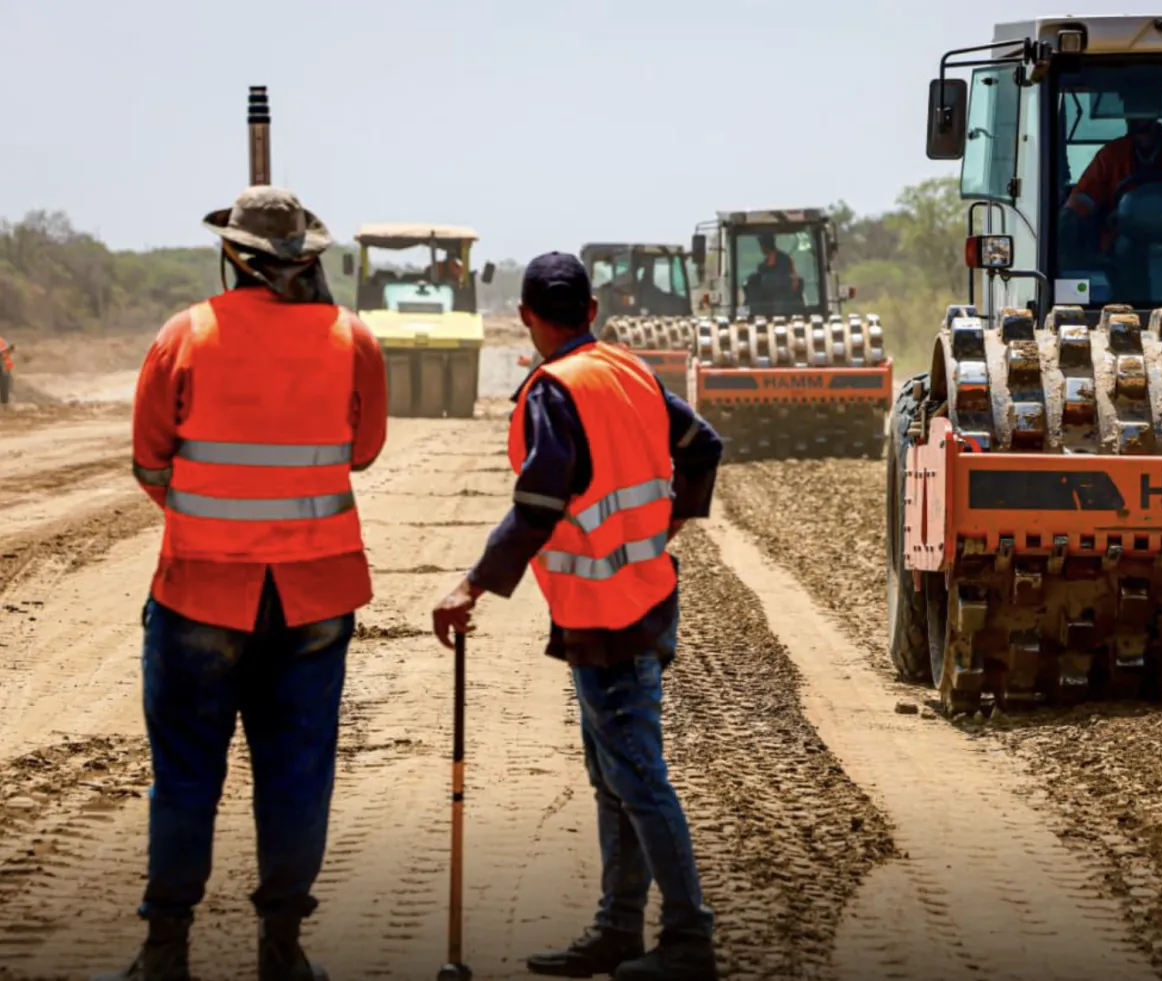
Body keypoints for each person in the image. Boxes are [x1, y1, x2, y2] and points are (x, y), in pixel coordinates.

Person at [98, 186, 388, 981]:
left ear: (232, 254)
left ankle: (164, 955)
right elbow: (363, 452)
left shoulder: (184, 333)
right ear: (308, 258)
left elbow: (149, 462)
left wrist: (210, 521)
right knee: (297, 777)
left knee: (186, 776)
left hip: (199, 590)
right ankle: (282, 952)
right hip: (315, 599)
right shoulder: (354, 338)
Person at [431, 252, 723, 981]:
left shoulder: (553, 391)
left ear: (527, 316)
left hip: (607, 613)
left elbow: (539, 502)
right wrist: (670, 521)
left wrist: (472, 585)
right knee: (616, 777)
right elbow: (703, 446)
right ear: (592, 311)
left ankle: (688, 940)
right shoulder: (629, 371)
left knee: (638, 777)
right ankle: (619, 929)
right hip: (644, 596)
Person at [1062, 87, 1162, 275]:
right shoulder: (1110, 157)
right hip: (1123, 246)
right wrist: (1069, 215)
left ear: (1159, 109)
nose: (1138, 115)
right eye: (1131, 107)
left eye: (1144, 107)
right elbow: (1083, 196)